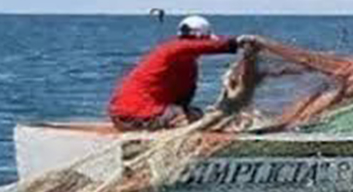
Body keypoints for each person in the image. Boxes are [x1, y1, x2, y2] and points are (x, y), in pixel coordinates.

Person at [109, 15, 258, 131]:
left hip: (124, 115)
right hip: (135, 116)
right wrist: (237, 42)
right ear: (200, 39)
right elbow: (213, 46)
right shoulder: (174, 49)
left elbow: (183, 101)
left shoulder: (184, 62)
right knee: (191, 120)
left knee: (196, 115)